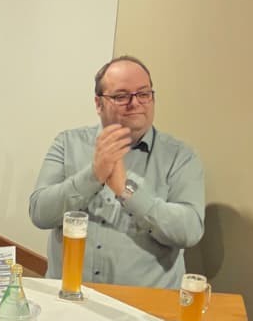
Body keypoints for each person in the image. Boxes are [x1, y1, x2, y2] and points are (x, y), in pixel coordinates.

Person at [27, 56, 206, 288]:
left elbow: (189, 231)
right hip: (70, 293)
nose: (135, 103)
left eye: (144, 94)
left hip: (144, 302)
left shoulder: (181, 157)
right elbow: (40, 213)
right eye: (121, 96)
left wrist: (126, 190)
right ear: (98, 103)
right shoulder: (67, 143)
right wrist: (93, 176)